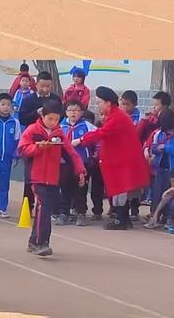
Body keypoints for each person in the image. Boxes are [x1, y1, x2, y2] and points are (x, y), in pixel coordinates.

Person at [72, 87, 151, 230]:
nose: (98, 105)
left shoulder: (117, 117)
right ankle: (124, 219)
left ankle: (121, 220)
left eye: (100, 102)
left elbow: (101, 133)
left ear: (108, 102)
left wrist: (79, 140)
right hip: (121, 159)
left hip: (123, 160)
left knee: (121, 188)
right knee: (121, 188)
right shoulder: (115, 115)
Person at [18, 100, 85, 257]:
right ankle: (42, 243)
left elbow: (71, 153)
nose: (53, 122)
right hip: (37, 177)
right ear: (43, 115)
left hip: (53, 177)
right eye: (50, 119)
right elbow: (22, 149)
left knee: (46, 208)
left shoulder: (59, 133)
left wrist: (80, 170)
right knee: (44, 207)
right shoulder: (32, 130)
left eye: (56, 119)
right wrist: (37, 147)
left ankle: (33, 241)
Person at [19, 71, 62, 209]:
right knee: (30, 176)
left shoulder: (56, 99)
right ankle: (28, 206)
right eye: (42, 86)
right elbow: (22, 118)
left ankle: (48, 207)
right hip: (33, 140)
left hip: (52, 141)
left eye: (48, 86)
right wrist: (36, 113)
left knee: (51, 176)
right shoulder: (28, 100)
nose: (45, 89)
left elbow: (60, 118)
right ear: (36, 85)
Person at [59, 100, 98, 226]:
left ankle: (81, 213)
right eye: (70, 110)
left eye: (76, 110)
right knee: (64, 188)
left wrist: (94, 155)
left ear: (81, 112)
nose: (73, 113)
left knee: (80, 188)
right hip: (64, 162)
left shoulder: (87, 126)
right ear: (66, 113)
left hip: (82, 163)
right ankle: (64, 213)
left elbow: (98, 138)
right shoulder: (60, 126)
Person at [143, 109, 174, 228]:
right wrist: (157, 149)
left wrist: (165, 147)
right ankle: (155, 216)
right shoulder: (159, 133)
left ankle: (168, 218)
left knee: (169, 195)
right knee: (157, 194)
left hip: (172, 170)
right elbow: (153, 147)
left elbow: (171, 149)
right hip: (160, 168)